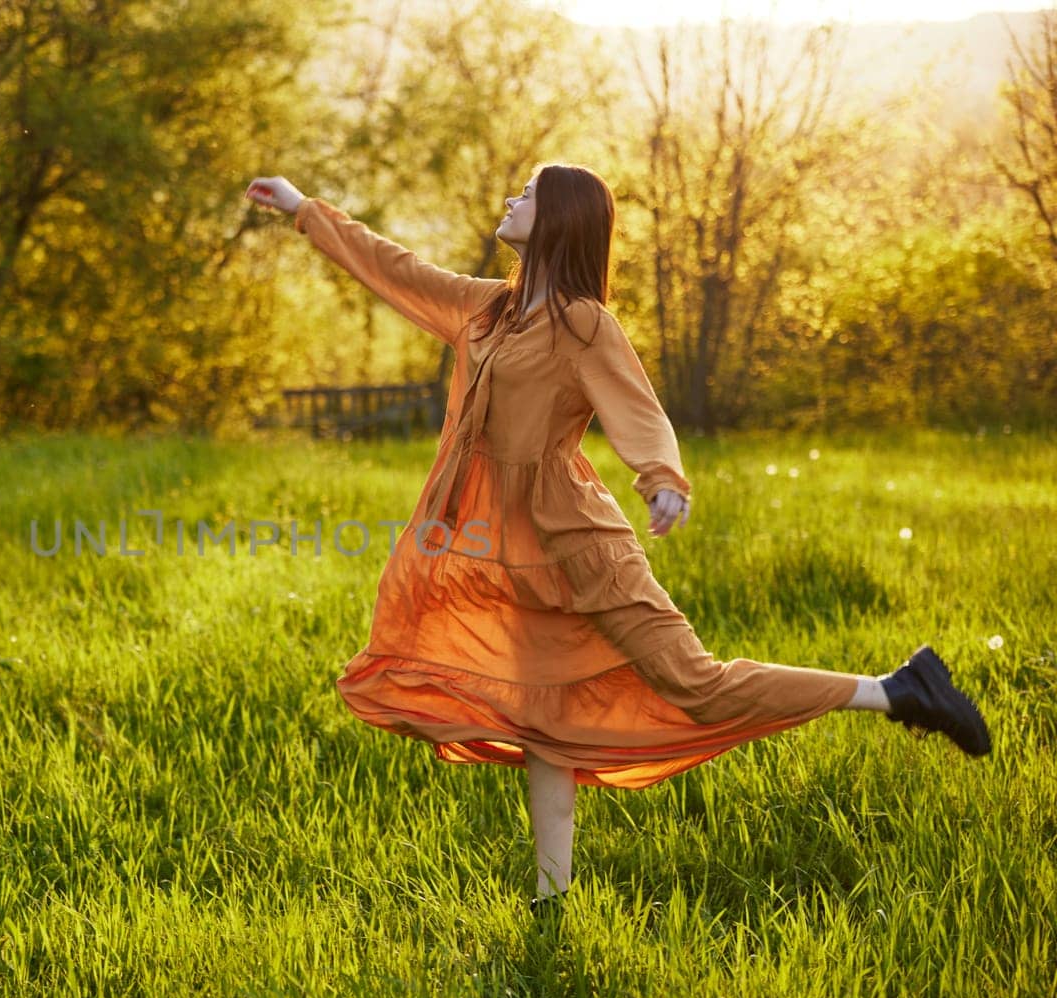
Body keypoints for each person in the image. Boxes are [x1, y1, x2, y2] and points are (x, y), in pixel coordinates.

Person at [243, 166, 990, 911]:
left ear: (560, 219)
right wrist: (304, 208)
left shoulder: (584, 324)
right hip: (511, 560)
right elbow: (393, 268)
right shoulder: (487, 311)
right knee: (542, 721)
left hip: (580, 548)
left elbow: (638, 407)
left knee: (694, 683)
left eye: (527, 194)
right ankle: (549, 898)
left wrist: (663, 478)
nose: (510, 200)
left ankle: (897, 691)